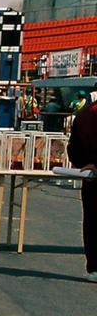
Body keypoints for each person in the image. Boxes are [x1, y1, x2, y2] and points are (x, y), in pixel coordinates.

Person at [66, 97, 97, 282]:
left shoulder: (84, 115)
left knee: (92, 221)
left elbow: (73, 149)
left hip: (91, 177)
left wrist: (86, 164)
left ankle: (94, 267)